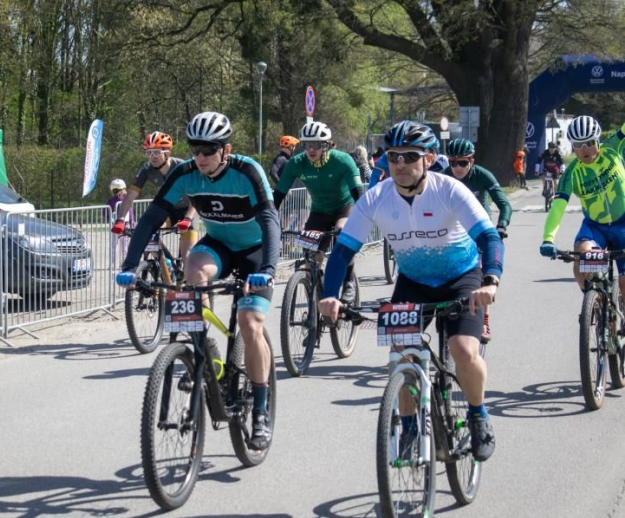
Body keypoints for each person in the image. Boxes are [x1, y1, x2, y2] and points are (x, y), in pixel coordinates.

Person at [319, 120, 503, 462]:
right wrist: (330, 294)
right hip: (414, 283)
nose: (400, 164)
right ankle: (409, 428)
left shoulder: (449, 190)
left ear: (429, 159)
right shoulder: (377, 198)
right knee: (401, 357)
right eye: (393, 157)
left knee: (463, 350)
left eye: (409, 156)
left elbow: (489, 237)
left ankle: (478, 415)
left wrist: (490, 280)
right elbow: (343, 250)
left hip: (460, 278)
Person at [115, 111, 280, 449]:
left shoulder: (247, 170)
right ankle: (209, 354)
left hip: (255, 251)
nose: (200, 157)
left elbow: (268, 219)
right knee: (193, 272)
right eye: (195, 150)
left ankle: (260, 412)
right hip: (218, 244)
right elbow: (151, 218)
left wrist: (269, 268)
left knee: (249, 323)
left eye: (208, 150)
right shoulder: (185, 173)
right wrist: (131, 265)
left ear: (226, 149)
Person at [272, 121, 364, 301]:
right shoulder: (297, 163)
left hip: (344, 207)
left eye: (316, 145)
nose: (311, 149)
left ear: (327, 145)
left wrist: (364, 219)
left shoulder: (343, 160)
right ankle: (318, 286)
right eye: (306, 145)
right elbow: (278, 194)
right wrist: (270, 220)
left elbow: (359, 195)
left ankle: (348, 280)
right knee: (310, 255)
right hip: (319, 211)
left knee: (342, 233)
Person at [540, 116, 625, 295]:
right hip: (595, 227)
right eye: (578, 145)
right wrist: (548, 239)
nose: (584, 149)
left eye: (588, 142)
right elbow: (557, 208)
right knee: (583, 259)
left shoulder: (612, 147)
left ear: (598, 140)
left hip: (623, 223)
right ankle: (593, 301)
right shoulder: (571, 174)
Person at [443, 138, 512, 342]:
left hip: (478, 227)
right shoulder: (444, 176)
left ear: (471, 161)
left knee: (481, 275)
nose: (457, 168)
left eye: (462, 163)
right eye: (452, 162)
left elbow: (504, 204)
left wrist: (502, 225)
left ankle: (484, 319)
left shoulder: (482, 175)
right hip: (453, 229)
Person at [111, 132, 198, 265]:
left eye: (156, 152)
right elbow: (129, 196)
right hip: (168, 210)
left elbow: (196, 197)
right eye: (149, 153)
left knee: (187, 256)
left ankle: (186, 274)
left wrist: (188, 218)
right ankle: (167, 265)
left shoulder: (181, 167)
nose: (152, 157)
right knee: (151, 237)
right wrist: (120, 220)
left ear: (167, 153)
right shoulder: (147, 169)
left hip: (189, 210)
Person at [107, 179, 133, 265]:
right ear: (123, 189)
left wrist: (110, 220)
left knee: (113, 245)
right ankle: (124, 262)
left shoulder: (110, 201)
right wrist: (132, 224)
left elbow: (105, 213)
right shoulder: (126, 200)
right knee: (124, 246)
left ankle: (112, 264)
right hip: (125, 226)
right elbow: (130, 213)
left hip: (114, 226)